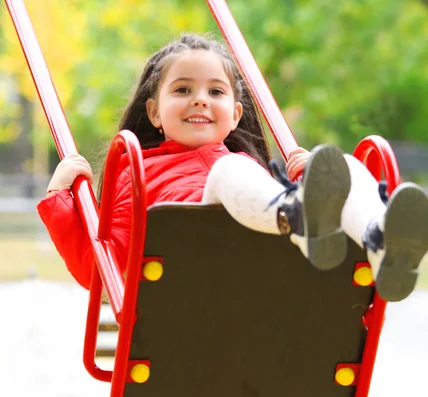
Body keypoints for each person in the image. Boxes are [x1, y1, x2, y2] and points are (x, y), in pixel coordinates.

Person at [38, 33, 428, 302]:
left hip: (268, 287)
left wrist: (319, 179)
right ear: (153, 112)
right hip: (192, 290)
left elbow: (249, 185)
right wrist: (61, 200)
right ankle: (300, 216)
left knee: (344, 162)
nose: (200, 100)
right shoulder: (137, 173)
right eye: (182, 89)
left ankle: (381, 240)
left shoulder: (246, 170)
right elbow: (102, 274)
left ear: (236, 115)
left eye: (216, 91)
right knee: (226, 175)